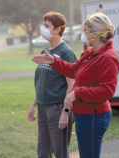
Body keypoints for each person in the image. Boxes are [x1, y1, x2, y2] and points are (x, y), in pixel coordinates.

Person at [31, 12, 119, 158]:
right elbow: (73, 70)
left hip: (94, 115)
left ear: (96, 33)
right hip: (83, 114)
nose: (83, 33)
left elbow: (107, 91)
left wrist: (77, 93)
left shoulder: (108, 57)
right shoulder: (90, 53)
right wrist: (54, 61)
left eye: (86, 30)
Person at [27, 11, 76, 158]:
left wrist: (65, 112)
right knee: (43, 152)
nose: (43, 29)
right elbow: (43, 81)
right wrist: (34, 104)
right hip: (43, 107)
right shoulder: (45, 51)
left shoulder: (66, 53)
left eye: (46, 26)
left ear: (57, 30)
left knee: (60, 153)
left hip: (58, 107)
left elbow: (72, 84)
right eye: (43, 25)